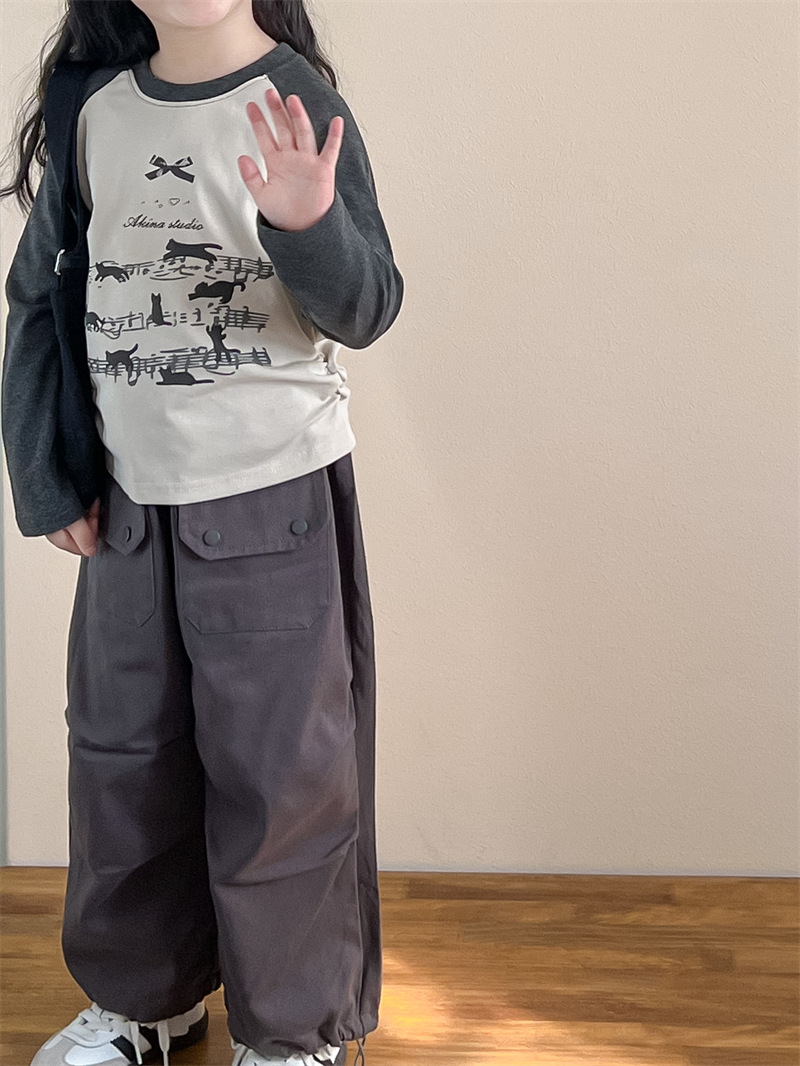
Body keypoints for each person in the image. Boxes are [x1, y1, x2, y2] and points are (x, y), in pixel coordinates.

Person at [0, 2, 404, 1065]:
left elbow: (367, 306)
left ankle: (294, 1032)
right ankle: (145, 1003)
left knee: (282, 775)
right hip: (130, 512)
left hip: (273, 500)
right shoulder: (94, 112)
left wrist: (307, 224)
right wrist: (47, 478)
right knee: (122, 762)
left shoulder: (297, 101)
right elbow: (38, 296)